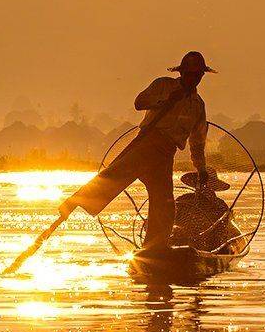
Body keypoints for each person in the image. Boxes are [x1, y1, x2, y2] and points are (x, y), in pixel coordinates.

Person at [58, 51, 215, 248]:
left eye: (197, 74)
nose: (193, 78)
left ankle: (155, 247)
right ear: (182, 73)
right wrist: (165, 101)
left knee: (165, 204)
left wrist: (201, 168)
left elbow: (197, 142)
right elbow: (139, 103)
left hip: (166, 154)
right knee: (116, 176)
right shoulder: (163, 85)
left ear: (202, 76)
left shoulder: (198, 106)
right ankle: (75, 202)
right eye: (190, 73)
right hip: (148, 142)